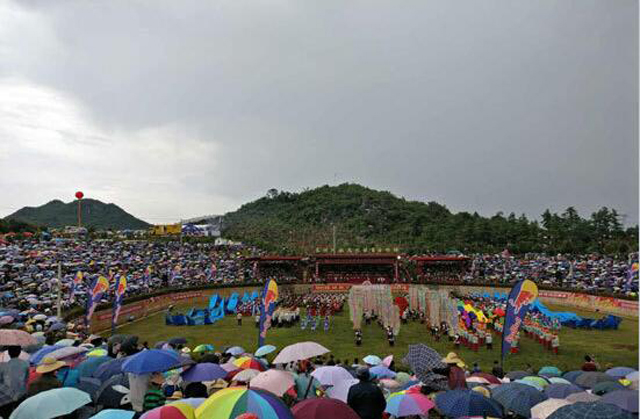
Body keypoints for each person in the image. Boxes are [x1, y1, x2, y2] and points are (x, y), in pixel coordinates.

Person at [0, 346, 29, 418]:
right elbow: (26, 380)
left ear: (9, 353)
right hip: (21, 395)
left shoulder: (3, 366)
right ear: (19, 352)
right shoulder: (25, 364)